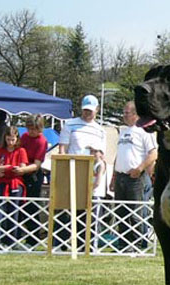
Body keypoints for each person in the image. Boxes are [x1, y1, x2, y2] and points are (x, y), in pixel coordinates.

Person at [56, 95, 106, 248]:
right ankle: (62, 243)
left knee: (87, 211)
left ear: (97, 110)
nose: (87, 113)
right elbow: (62, 149)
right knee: (66, 209)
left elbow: (102, 155)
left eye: (90, 110)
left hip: (91, 174)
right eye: (85, 110)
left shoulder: (100, 130)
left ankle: (86, 245)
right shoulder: (70, 124)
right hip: (72, 171)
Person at [110, 101, 157, 249]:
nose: (124, 115)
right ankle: (123, 242)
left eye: (127, 113)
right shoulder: (123, 132)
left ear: (136, 114)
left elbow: (153, 154)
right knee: (120, 211)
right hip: (121, 176)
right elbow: (119, 155)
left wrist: (140, 168)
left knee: (135, 211)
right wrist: (113, 176)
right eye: (123, 112)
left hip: (136, 178)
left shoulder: (144, 131)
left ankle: (137, 242)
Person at [0, 126, 28, 246]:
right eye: (8, 139)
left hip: (16, 183)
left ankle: (12, 241)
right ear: (4, 138)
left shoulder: (21, 151)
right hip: (1, 183)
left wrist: (6, 169)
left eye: (13, 140)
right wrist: (6, 168)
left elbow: (22, 168)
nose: (10, 142)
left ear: (17, 139)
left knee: (14, 211)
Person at [14, 114, 48, 245]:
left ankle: (33, 239)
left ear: (40, 128)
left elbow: (37, 164)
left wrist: (23, 170)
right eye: (29, 128)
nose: (31, 131)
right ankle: (16, 236)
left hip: (33, 176)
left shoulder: (42, 141)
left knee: (31, 207)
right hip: (21, 173)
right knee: (19, 206)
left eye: (34, 129)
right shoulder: (24, 137)